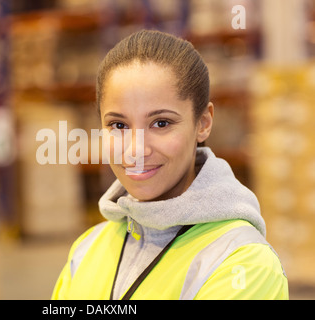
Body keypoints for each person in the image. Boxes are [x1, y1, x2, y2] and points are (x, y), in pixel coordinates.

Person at [51, 30, 288, 300]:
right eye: (118, 125)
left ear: (203, 123)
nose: (136, 150)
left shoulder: (242, 263)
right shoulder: (86, 250)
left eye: (161, 123)